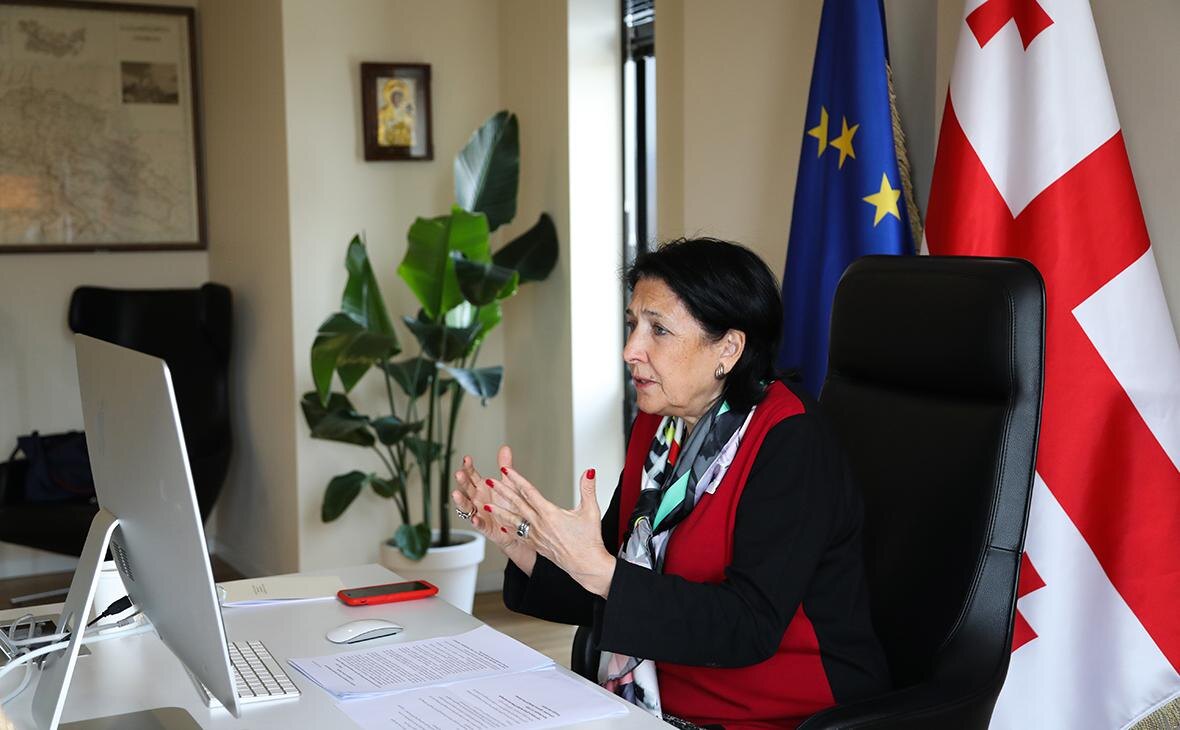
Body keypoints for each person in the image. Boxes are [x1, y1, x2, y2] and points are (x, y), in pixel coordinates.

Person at [452, 238, 889, 729]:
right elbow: (612, 592)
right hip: (653, 708)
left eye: (658, 330)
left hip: (782, 714)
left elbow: (749, 625)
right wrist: (523, 544)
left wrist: (601, 570)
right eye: (632, 325)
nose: (630, 351)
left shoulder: (790, 440)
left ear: (728, 348)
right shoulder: (658, 427)